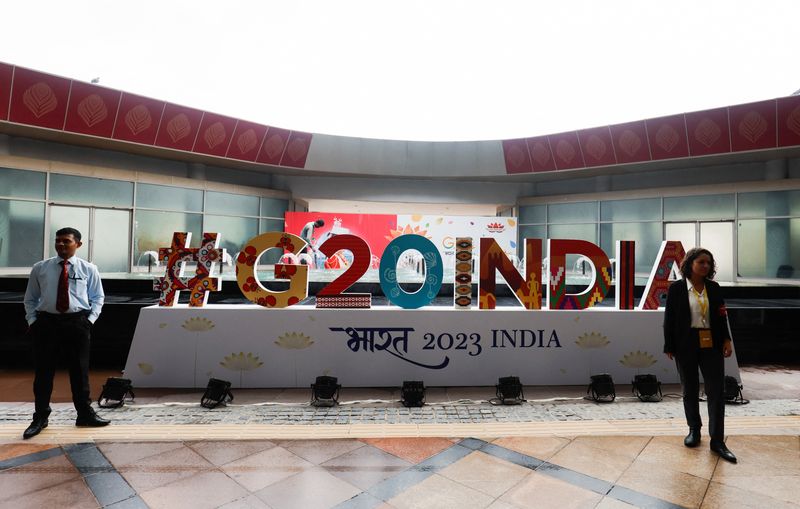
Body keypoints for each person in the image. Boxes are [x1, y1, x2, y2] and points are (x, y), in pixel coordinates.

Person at [22, 227, 109, 439]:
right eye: (58, 241)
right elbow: (30, 298)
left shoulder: (89, 269)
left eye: (66, 241)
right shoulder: (40, 268)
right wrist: (33, 321)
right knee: (43, 373)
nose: (61, 245)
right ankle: (40, 416)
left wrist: (89, 320)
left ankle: (84, 414)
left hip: (77, 323)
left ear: (78, 244)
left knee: (80, 372)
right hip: (46, 324)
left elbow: (98, 297)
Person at [663, 247, 736, 463]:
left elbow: (722, 316)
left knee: (716, 390)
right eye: (701, 262)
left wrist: (727, 338)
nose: (706, 266)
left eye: (708, 263)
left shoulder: (714, 288)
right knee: (690, 389)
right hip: (685, 344)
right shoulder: (676, 289)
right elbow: (670, 319)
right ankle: (694, 430)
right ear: (690, 264)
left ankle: (717, 440)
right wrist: (669, 345)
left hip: (711, 343)